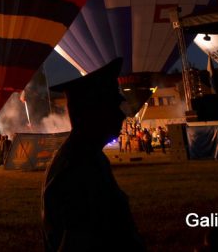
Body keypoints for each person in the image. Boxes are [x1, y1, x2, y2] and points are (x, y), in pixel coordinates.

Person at [42, 58, 146, 251]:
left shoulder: (88, 156)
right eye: (113, 107)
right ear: (93, 111)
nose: (122, 115)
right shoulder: (78, 167)